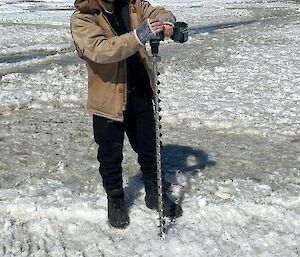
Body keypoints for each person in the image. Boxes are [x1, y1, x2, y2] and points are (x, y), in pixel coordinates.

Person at [70, 0, 182, 228]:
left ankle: (154, 191)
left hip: (140, 89)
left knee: (149, 147)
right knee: (110, 153)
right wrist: (140, 35)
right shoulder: (83, 18)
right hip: (108, 96)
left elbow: (157, 12)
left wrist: (167, 22)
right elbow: (101, 50)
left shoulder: (133, 5)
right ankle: (116, 198)